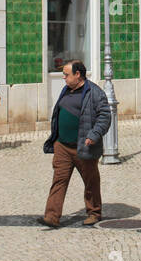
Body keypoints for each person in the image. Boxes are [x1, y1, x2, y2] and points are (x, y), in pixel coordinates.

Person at [39, 60, 112, 229]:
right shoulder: (66, 90)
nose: (63, 78)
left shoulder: (95, 93)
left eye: (66, 74)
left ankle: (94, 212)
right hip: (62, 146)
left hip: (83, 146)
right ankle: (52, 216)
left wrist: (94, 135)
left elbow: (105, 117)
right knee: (59, 180)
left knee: (90, 181)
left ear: (77, 75)